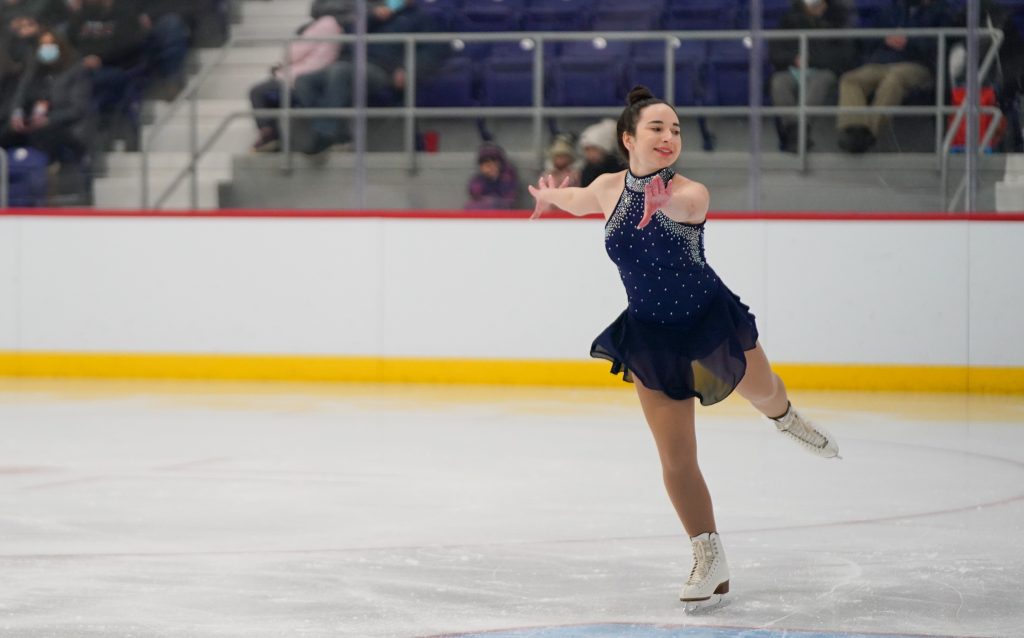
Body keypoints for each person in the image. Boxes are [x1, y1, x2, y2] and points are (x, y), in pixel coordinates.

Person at [528, 85, 840, 610]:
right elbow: (580, 201)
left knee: (764, 394)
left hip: (707, 322)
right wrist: (549, 197)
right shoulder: (607, 186)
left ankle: (788, 419)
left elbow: (688, 206)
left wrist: (663, 200)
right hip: (651, 336)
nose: (669, 136)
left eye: (675, 129)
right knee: (676, 457)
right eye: (656, 128)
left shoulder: (690, 191)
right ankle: (709, 554)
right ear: (628, 137)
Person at [292, 0, 443, 154]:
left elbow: (432, 52)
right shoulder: (375, 11)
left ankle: (324, 135)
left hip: (383, 71)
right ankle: (340, 135)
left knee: (340, 71)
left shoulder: (421, 17)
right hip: (352, 63)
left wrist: (408, 69)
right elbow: (350, 33)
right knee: (304, 81)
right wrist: (372, 17)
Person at [836, 0, 950, 153]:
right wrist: (884, 37)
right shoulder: (892, 8)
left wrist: (909, 41)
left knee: (894, 79)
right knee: (850, 79)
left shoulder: (942, 11)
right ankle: (855, 130)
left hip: (917, 64)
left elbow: (940, 43)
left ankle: (870, 133)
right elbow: (868, 37)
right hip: (883, 61)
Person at [247, 1, 343, 152]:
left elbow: (293, 53)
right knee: (271, 92)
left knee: (257, 91)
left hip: (299, 77)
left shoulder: (325, 24)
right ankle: (273, 137)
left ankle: (269, 134)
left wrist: (280, 64)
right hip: (311, 76)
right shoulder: (337, 26)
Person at [768, 0, 857, 152]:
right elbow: (776, 52)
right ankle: (795, 132)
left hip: (824, 70)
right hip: (794, 70)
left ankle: (798, 133)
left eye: (820, 4)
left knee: (819, 82)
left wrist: (811, 60)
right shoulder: (789, 20)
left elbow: (845, 56)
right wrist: (793, 59)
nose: (818, 7)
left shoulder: (838, 20)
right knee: (779, 83)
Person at [1, 28, 92, 166]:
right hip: (31, 122)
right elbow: (19, 96)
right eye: (42, 45)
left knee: (43, 134)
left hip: (62, 126)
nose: (46, 49)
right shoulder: (33, 71)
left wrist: (48, 119)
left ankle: (45, 175)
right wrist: (17, 114)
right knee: (7, 133)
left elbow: (78, 108)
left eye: (50, 45)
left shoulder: (76, 71)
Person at [465, 142, 519, 210]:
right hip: (483, 211)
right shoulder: (478, 179)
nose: (491, 166)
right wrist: (488, 178)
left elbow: (509, 198)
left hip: (503, 211)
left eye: (494, 162)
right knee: (470, 206)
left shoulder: (507, 177)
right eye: (486, 163)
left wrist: (495, 177)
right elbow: (474, 191)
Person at [578, 117, 625, 187]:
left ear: (603, 149)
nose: (590, 154)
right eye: (587, 149)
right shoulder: (587, 170)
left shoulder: (619, 168)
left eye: (593, 149)